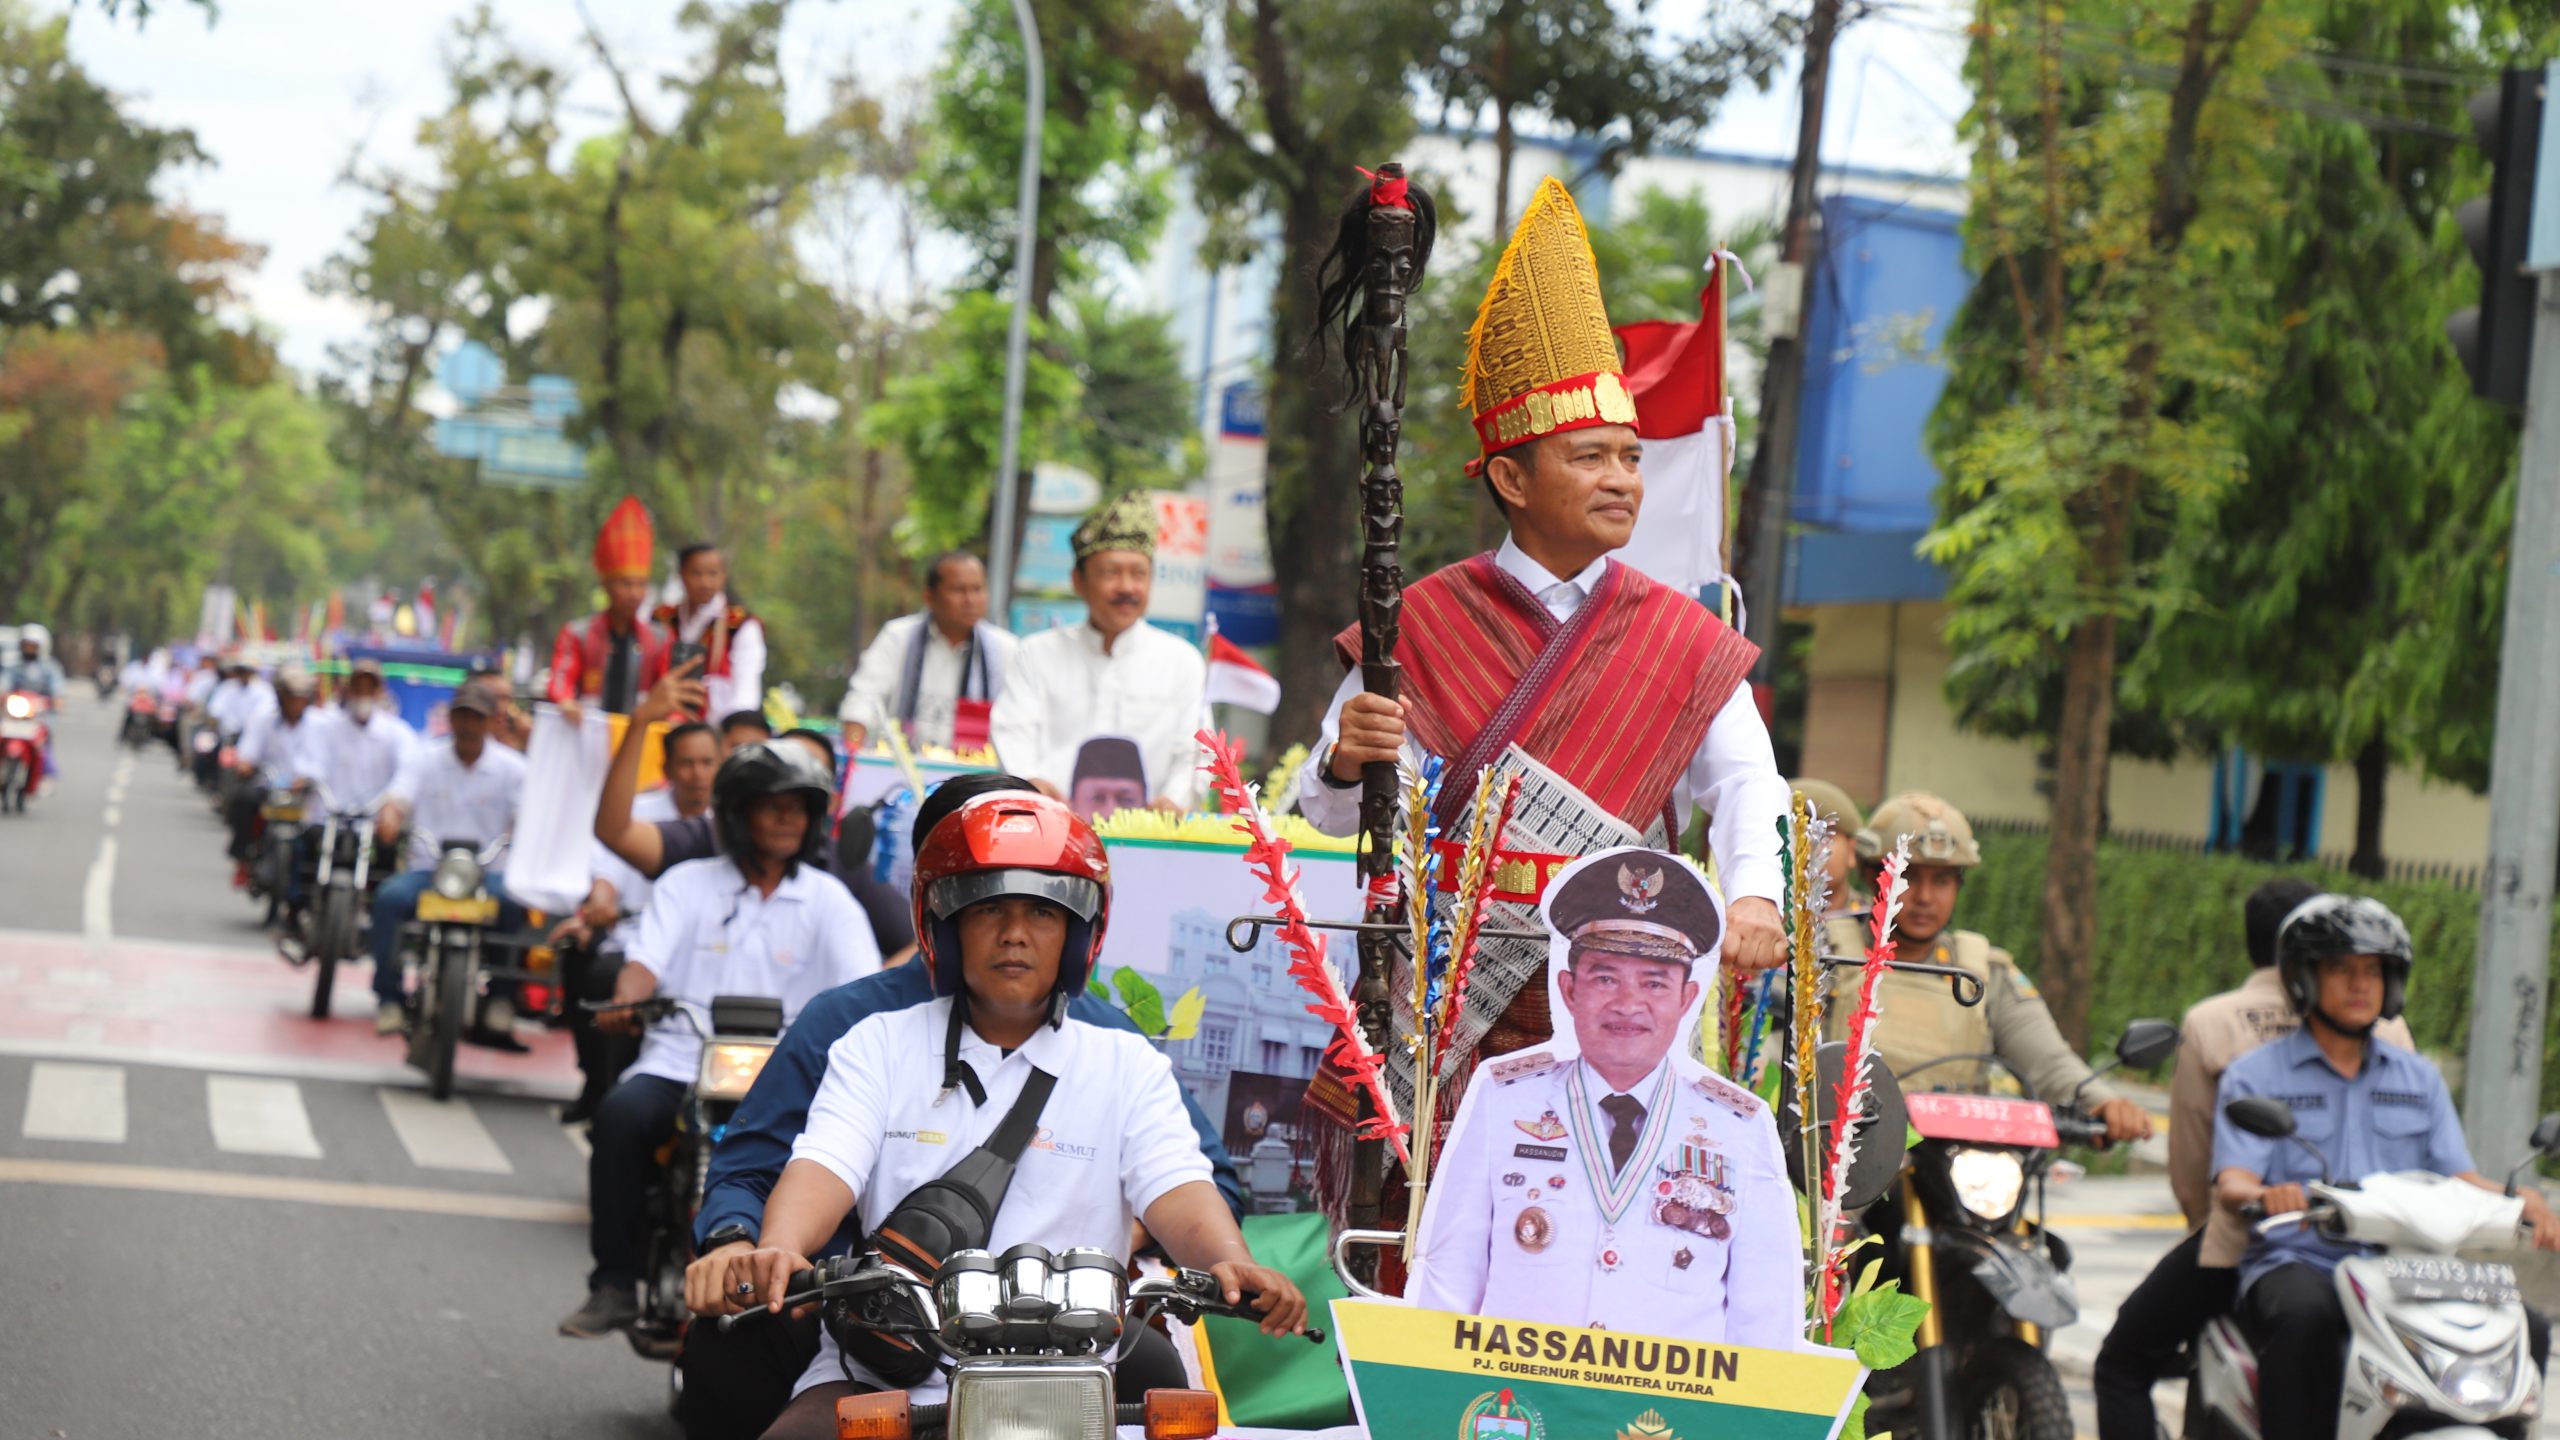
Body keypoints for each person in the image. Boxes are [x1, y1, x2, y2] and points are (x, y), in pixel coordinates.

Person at [1296, 179, 1788, 1187]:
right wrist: (1345, 757)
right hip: (1448, 1010)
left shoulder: (1682, 638)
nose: (1622, 479)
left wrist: (1755, 897)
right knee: (1433, 1254)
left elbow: (1744, 783)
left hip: (1623, 1006)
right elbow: (1325, 808)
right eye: (1591, 456)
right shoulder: (1419, 620)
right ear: (1513, 479)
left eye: (1630, 457)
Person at [668, 772, 1247, 1440]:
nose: (1014, 934)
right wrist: (766, 1248)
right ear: (938, 913)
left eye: (1042, 909)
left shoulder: (1123, 1056)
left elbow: (1187, 1185)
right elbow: (814, 1167)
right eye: (987, 905)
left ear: (1079, 931)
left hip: (1073, 1358)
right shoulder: (866, 1036)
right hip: (875, 1346)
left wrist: (1212, 1254)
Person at [1411, 848, 1801, 1345]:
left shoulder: (1738, 1126)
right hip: (1520, 1403)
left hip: (1666, 1416)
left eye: (1655, 983)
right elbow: (1449, 1276)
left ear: (1685, 999)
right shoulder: (1504, 1098)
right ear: (1569, 990)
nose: (1628, 1004)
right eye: (1605, 977)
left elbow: (1764, 1317)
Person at [561, 740, 883, 1338]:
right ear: (737, 812)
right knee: (620, 1116)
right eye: (771, 805)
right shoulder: (686, 884)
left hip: (788, 1075)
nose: (788, 817)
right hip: (683, 1058)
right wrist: (628, 1000)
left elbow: (863, 990)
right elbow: (643, 963)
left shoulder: (830, 899)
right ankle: (613, 1281)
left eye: (799, 806)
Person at [2211, 895, 2559, 1440]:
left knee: (2526, 1326)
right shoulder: (2256, 1075)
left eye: (2373, 971)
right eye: (2342, 969)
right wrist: (2267, 1193)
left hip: (2413, 1271)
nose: (2360, 984)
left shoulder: (2418, 1079)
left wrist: (2523, 1202)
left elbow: (2457, 1176)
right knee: (2304, 1319)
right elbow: (2234, 1181)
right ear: (2304, 976)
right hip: (2305, 1260)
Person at [2091, 878, 2416, 1440]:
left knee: (2122, 1362)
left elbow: (2193, 1163)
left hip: (2253, 1239)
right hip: (2377, 1241)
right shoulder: (2387, 1022)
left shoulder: (2214, 1021)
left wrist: (2210, 1222)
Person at [1824, 792, 2152, 1144]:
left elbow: (2048, 1061)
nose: (1924, 897)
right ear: (1874, 876)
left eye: (1943, 881)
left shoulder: (1983, 971)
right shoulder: (1825, 952)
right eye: (1908, 876)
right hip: (1839, 1162)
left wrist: (2101, 1100)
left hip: (1949, 1164)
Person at [598, 665, 916, 961]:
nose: (786, 813)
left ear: (829, 802)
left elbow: (917, 946)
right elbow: (617, 833)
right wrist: (640, 721)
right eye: (777, 790)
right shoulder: (706, 844)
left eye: (804, 796)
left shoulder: (840, 885)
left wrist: (868, 999)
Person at [991, 494, 1204, 811]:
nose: (1127, 587)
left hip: (1146, 839)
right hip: (1051, 830)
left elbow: (1195, 752)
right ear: (1078, 581)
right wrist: (1028, 782)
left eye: (1139, 574)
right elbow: (1013, 731)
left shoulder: (1182, 661)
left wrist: (1174, 800)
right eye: (1111, 572)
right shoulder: (1036, 654)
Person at [368, 686, 529, 1036]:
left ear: (490, 722)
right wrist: (391, 816)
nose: (469, 725)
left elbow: (527, 817)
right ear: (451, 719)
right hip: (430, 871)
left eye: (477, 718)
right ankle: (389, 998)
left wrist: (526, 834)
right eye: (462, 716)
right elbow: (398, 796)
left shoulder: (513, 768)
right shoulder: (424, 758)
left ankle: (502, 996)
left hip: (488, 875)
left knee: (516, 904)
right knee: (389, 900)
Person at [838, 551, 1014, 754]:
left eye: (977, 589)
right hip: (898, 773)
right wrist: (853, 752)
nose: (970, 600)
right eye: (959, 590)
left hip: (972, 779)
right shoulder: (897, 637)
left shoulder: (1005, 649)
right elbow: (863, 699)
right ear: (929, 596)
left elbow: (1017, 723)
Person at [550, 496, 672, 719]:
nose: (634, 593)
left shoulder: (659, 640)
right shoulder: (578, 634)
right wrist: (565, 702)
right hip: (585, 734)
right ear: (606, 585)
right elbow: (560, 681)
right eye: (626, 584)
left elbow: (667, 689)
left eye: (641, 585)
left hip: (637, 739)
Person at [225, 665, 324, 886]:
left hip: (306, 792)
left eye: (300, 698)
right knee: (243, 799)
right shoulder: (263, 719)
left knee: (321, 834)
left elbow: (325, 761)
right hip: (269, 786)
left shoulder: (320, 724)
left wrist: (307, 778)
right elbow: (248, 752)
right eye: (290, 697)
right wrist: (245, 764)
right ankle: (243, 859)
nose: (295, 703)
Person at [657, 543, 767, 723]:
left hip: (714, 731)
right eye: (696, 573)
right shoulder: (662, 619)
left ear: (723, 575)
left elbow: (745, 692)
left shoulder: (741, 626)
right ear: (681, 575)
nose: (705, 582)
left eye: (713, 574)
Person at [297, 661, 417, 812]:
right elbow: (312, 764)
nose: (363, 695)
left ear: (380, 692)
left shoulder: (398, 732)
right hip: (330, 821)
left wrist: (393, 802)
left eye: (369, 689)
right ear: (348, 690)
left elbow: (408, 772)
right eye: (358, 688)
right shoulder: (327, 727)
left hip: (373, 823)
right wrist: (307, 778)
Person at [1789, 777, 1867, 919]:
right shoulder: (1752, 919)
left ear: (1851, 851)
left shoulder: (1878, 924)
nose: (1808, 847)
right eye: (1796, 834)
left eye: (1824, 836)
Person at [2, 622, 64, 697]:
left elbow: (57, 688)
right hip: (18, 704)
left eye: (32, 646)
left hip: (44, 707)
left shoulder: (50, 667)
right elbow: (5, 682)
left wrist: (56, 698)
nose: (28, 649)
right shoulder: (14, 665)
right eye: (26, 645)